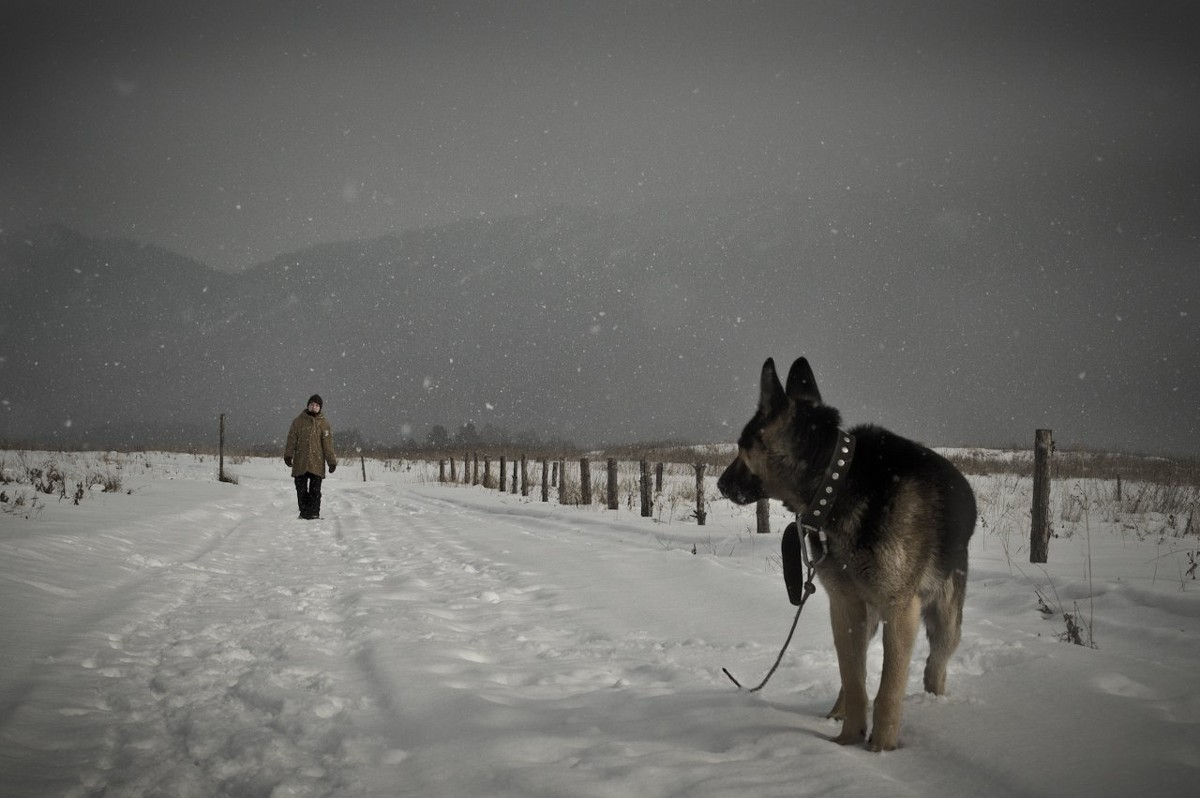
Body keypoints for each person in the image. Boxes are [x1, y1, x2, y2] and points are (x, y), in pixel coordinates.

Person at [283, 393, 338, 519]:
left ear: (320, 408)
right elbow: (291, 440)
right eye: (312, 404)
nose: (314, 407)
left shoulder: (324, 424)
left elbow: (328, 445)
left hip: (316, 463)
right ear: (308, 406)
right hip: (300, 462)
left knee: (315, 491)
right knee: (301, 490)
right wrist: (288, 455)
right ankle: (304, 513)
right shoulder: (298, 422)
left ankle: (314, 514)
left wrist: (331, 462)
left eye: (317, 405)